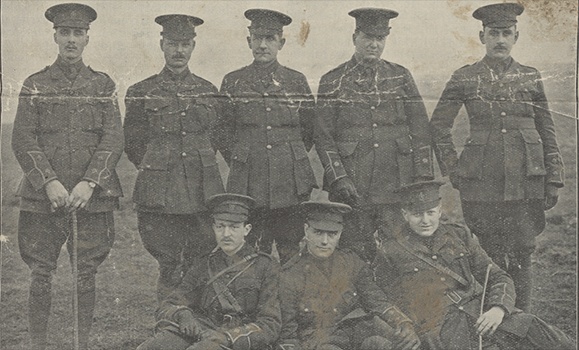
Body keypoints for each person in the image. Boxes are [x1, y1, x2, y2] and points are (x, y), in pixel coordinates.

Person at [429, 3, 565, 312]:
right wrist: (455, 169)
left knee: (523, 253)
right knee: (486, 254)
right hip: (482, 185)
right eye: (494, 33)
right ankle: (492, 322)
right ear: (482, 36)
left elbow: (547, 128)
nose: (500, 40)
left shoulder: (530, 76)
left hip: (526, 181)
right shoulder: (465, 77)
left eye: (506, 33)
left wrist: (553, 178)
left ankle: (522, 322)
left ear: (516, 36)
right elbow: (438, 125)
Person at [11, 3, 124, 349]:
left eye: (78, 33)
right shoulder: (35, 84)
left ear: (87, 38)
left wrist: (90, 183)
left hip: (91, 198)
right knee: (41, 274)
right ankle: (38, 344)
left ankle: (82, 344)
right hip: (43, 198)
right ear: (55, 36)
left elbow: (113, 137)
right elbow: (22, 137)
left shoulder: (103, 85)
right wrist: (49, 181)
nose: (71, 40)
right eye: (65, 33)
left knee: (86, 274)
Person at [373, 181, 574, 350]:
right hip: (442, 328)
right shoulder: (391, 250)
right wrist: (405, 325)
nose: (425, 220)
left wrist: (498, 307)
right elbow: (382, 299)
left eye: (430, 212)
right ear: (404, 214)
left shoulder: (459, 235)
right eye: (417, 215)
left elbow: (497, 276)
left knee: (551, 338)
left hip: (481, 313)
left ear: (440, 210)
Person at [314, 8, 433, 263]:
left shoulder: (401, 76)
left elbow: (420, 128)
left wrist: (421, 176)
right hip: (353, 185)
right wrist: (338, 177)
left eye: (380, 39)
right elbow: (323, 136)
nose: (374, 44)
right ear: (354, 37)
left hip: (396, 183)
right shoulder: (332, 80)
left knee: (399, 250)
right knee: (353, 251)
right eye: (368, 37)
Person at [124, 14, 224, 301]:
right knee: (168, 264)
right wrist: (159, 168)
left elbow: (217, 138)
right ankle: (167, 324)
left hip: (201, 192)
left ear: (193, 46)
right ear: (161, 44)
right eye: (172, 43)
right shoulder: (141, 92)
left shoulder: (209, 91)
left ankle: (197, 326)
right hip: (159, 195)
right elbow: (134, 144)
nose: (178, 51)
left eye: (184, 44)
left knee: (200, 261)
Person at [217, 9, 317, 264]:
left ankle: (289, 303)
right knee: (249, 250)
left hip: (289, 183)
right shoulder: (233, 81)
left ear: (281, 43)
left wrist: (287, 158)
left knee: (290, 249)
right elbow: (222, 130)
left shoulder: (296, 81)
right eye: (257, 38)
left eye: (270, 38)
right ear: (248, 40)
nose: (263, 45)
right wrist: (244, 159)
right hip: (248, 181)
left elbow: (309, 129)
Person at [278, 191, 421, 350]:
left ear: (340, 233)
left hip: (356, 331)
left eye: (332, 234)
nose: (325, 241)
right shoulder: (289, 274)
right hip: (319, 341)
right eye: (318, 232)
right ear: (306, 230)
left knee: (397, 344)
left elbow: (375, 298)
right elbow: (287, 333)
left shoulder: (351, 261)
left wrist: (402, 322)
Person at [137, 193, 281, 350]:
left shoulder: (265, 266)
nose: (226, 234)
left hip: (237, 339)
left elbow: (270, 324)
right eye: (220, 226)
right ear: (214, 228)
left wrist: (228, 337)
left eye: (234, 227)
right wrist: (182, 314)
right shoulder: (205, 263)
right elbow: (170, 303)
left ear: (246, 229)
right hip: (203, 329)